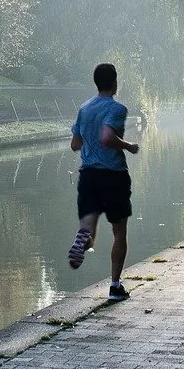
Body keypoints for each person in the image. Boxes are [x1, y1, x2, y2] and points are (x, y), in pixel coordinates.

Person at [67, 62, 139, 301]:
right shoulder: (117, 109)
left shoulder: (84, 108)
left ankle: (83, 239)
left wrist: (89, 141)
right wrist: (128, 146)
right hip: (113, 176)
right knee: (119, 232)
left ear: (96, 82)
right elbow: (107, 136)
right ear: (115, 82)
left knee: (88, 229)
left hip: (88, 175)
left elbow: (75, 144)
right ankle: (115, 286)